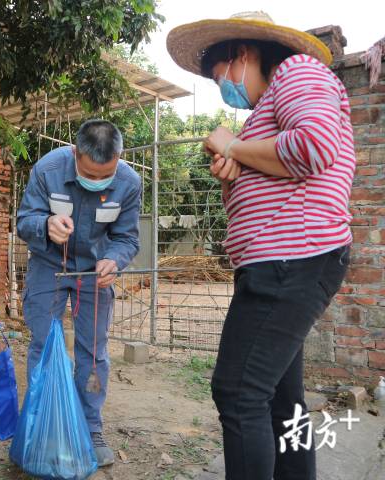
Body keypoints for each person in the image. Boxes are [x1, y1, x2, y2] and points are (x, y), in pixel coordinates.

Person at [167, 11, 355, 480]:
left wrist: (233, 149)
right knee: (280, 400)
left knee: (237, 391)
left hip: (293, 260)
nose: (224, 90)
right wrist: (233, 170)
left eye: (220, 77)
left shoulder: (297, 72)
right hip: (282, 262)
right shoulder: (263, 114)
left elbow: (314, 146)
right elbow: (268, 183)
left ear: (243, 55)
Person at [16, 120, 141, 466]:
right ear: (75, 154)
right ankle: (42, 423)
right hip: (48, 267)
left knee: (94, 351)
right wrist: (45, 225)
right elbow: (24, 219)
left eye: (106, 175)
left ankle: (90, 426)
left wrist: (114, 260)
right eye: (90, 173)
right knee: (44, 345)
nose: (97, 181)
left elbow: (127, 238)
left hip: (95, 275)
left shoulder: (130, 182)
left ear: (119, 157)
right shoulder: (49, 169)